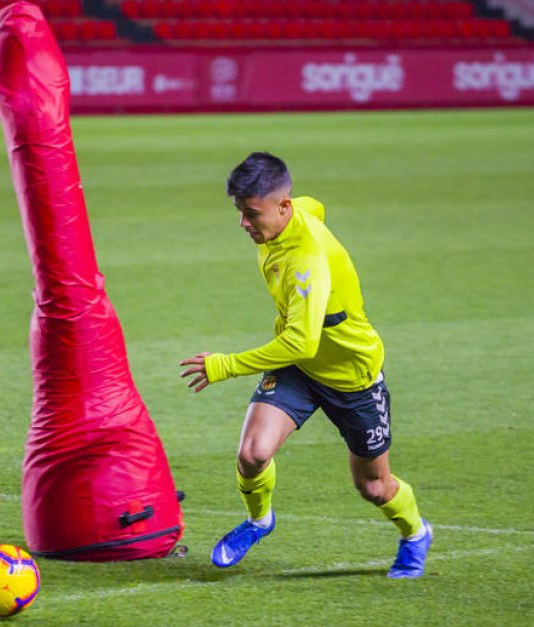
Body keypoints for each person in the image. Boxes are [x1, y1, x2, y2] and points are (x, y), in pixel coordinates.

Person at [180, 152, 431, 579]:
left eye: (251, 214)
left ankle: (414, 534)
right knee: (253, 454)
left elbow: (300, 340)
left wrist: (226, 365)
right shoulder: (294, 213)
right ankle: (260, 521)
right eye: (240, 212)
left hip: (351, 376)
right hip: (300, 368)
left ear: (282, 206)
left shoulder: (305, 260)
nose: (243, 224)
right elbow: (316, 206)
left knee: (373, 486)